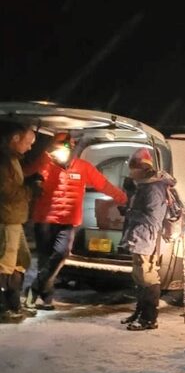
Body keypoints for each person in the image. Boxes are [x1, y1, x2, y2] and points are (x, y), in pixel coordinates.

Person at [25, 133, 128, 310]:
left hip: (69, 221)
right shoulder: (46, 163)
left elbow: (103, 184)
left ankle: (34, 289)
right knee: (45, 259)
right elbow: (26, 173)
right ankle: (46, 299)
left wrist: (123, 198)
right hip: (45, 219)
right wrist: (42, 159)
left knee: (61, 254)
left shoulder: (83, 167)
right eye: (57, 145)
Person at [119, 147, 176, 331]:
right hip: (140, 236)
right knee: (138, 275)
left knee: (147, 276)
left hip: (147, 237)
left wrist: (130, 212)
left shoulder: (153, 187)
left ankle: (150, 318)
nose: (131, 172)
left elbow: (153, 217)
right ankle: (141, 311)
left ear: (141, 167)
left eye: (132, 168)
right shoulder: (144, 185)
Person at [0, 122, 40, 323]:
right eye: (28, 142)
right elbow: (7, 192)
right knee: (5, 266)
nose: (30, 146)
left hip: (14, 219)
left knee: (22, 261)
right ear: (15, 138)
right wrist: (31, 189)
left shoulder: (12, 159)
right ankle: (6, 306)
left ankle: (13, 303)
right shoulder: (4, 161)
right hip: (7, 220)